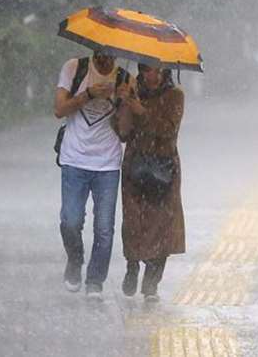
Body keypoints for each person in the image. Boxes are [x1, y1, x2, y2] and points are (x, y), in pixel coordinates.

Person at [54, 50, 132, 299]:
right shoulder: (74, 68)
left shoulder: (124, 79)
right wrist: (88, 94)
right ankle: (75, 260)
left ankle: (95, 281)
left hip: (107, 164)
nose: (107, 60)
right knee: (70, 220)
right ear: (95, 49)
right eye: (102, 55)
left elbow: (125, 133)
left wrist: (123, 103)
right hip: (74, 160)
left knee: (104, 227)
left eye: (112, 56)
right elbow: (59, 109)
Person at [114, 63, 185, 302]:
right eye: (143, 68)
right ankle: (132, 265)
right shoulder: (133, 89)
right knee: (133, 220)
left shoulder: (175, 95)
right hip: (135, 165)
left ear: (164, 70)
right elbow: (122, 133)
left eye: (153, 69)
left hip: (164, 166)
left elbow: (167, 129)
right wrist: (124, 104)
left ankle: (152, 281)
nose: (148, 74)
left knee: (163, 226)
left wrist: (141, 110)